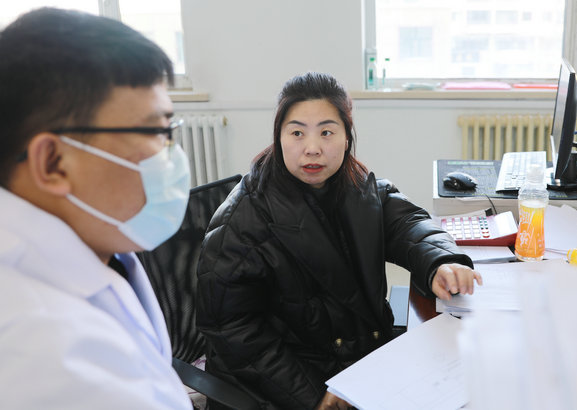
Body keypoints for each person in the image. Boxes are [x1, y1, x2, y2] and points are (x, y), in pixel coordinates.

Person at [196, 72, 482, 409]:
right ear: (279, 138)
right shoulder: (243, 220)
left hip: (355, 364)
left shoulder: (354, 185)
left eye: (327, 132)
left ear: (347, 137)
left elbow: (406, 222)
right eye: (297, 133)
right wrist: (312, 395)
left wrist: (440, 261)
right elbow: (232, 330)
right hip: (280, 388)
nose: (312, 148)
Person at [0, 8, 193, 409]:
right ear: (53, 163)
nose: (171, 155)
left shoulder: (100, 241)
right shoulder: (50, 354)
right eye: (155, 131)